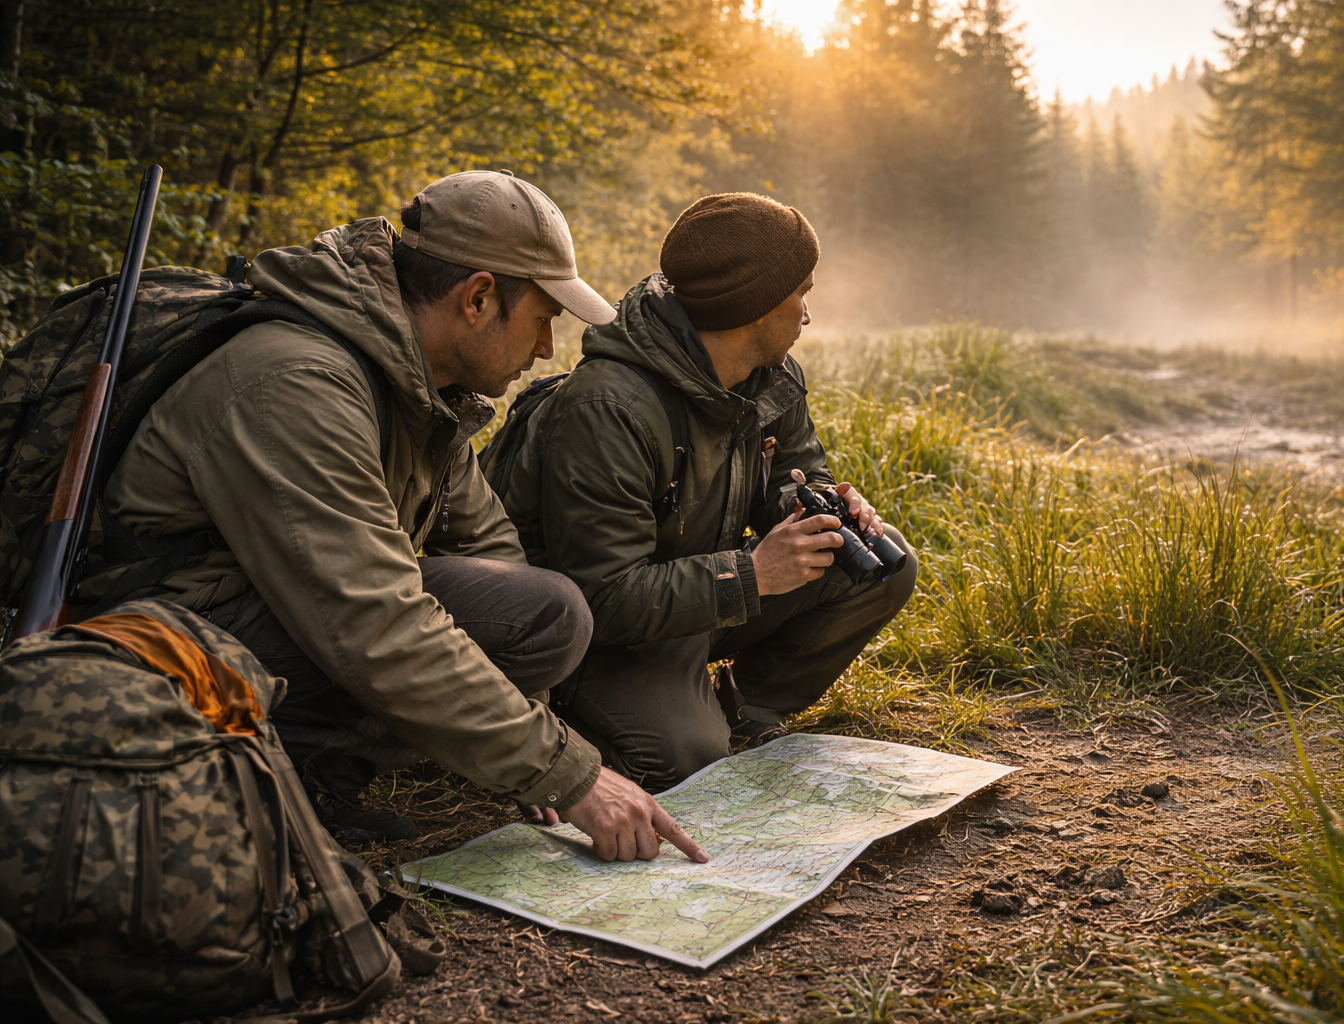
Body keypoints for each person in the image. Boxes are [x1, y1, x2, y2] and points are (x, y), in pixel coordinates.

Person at [81, 170, 706, 863]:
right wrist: (571, 774)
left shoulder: (413, 382)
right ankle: (270, 775)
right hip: (158, 646)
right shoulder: (297, 382)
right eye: (543, 319)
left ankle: (317, 768)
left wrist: (529, 738)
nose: (547, 350)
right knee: (487, 619)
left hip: (268, 616)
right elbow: (374, 621)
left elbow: (493, 549)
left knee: (549, 615)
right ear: (477, 298)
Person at [497, 192, 918, 793]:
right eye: (801, 293)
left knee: (883, 561)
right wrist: (752, 575)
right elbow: (601, 596)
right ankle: (574, 719)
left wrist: (824, 509)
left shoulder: (771, 376)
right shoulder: (609, 408)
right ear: (754, 307)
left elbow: (794, 474)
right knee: (685, 765)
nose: (806, 315)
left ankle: (746, 704)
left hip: (695, 597)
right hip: (597, 636)